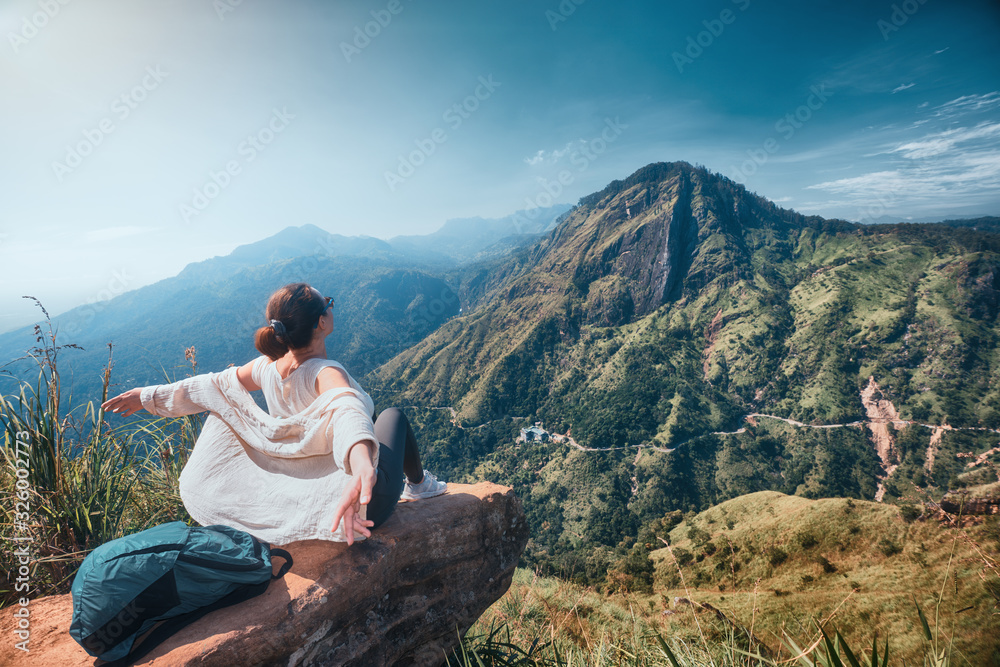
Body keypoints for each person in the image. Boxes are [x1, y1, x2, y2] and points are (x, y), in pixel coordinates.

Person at [101, 282, 447, 545]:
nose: (330, 308)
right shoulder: (324, 372)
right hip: (363, 500)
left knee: (227, 404)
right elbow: (348, 409)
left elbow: (210, 386)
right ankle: (419, 485)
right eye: (328, 304)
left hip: (309, 489)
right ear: (322, 322)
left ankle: (410, 483)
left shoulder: (267, 368)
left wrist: (147, 397)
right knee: (394, 416)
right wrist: (360, 470)